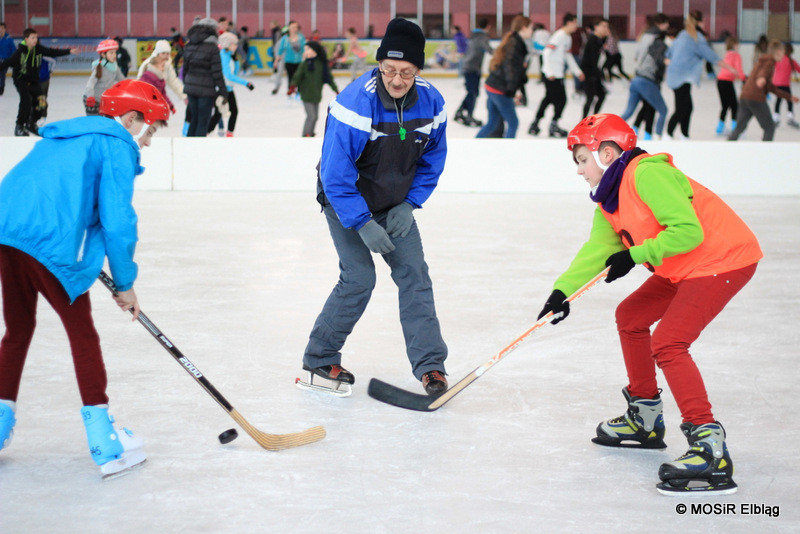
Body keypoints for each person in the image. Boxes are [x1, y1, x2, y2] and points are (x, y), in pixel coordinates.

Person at [539, 113, 762, 495]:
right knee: (631, 315)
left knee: (669, 343)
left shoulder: (646, 174)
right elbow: (597, 251)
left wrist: (636, 253)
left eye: (581, 160)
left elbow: (687, 231)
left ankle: (710, 448)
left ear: (607, 153)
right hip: (684, 265)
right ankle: (644, 417)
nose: (578, 171)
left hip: (721, 259)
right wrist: (563, 292)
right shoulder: (609, 201)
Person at [0, 79, 169, 479]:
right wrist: (125, 283)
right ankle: (106, 444)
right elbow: (118, 220)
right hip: (48, 243)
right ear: (130, 119)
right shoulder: (116, 145)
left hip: (6, 232)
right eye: (150, 130)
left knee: (18, 328)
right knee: (83, 334)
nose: (147, 141)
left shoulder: (69, 133)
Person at [299, 18, 449, 397]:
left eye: (406, 72)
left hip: (395, 203)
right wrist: (362, 221)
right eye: (389, 70)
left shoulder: (432, 102)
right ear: (379, 64)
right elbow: (335, 174)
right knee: (359, 277)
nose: (396, 80)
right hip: (345, 201)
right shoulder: (355, 101)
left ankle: (430, 366)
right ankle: (320, 355)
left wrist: (411, 203)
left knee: (414, 273)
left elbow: (433, 159)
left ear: (418, 70)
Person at [665, 11, 737, 139]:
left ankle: (683, 135)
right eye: (703, 21)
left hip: (676, 76)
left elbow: (669, 54)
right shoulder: (696, 37)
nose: (704, 24)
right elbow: (711, 56)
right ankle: (669, 134)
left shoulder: (682, 34)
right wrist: (730, 67)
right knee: (683, 107)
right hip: (682, 77)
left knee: (685, 107)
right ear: (699, 23)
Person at [0, 28, 78, 136]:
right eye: (32, 38)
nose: (35, 40)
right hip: (21, 81)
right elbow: (6, 63)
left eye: (36, 37)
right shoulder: (19, 52)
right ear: (26, 39)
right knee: (26, 101)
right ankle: (19, 126)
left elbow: (52, 52)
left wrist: (68, 51)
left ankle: (31, 123)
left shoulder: (38, 49)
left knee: (42, 103)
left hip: (33, 81)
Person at [729, 39, 800, 142]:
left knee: (739, 127)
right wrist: (761, 78)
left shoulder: (763, 61)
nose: (784, 54)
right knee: (769, 127)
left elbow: (770, 87)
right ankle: (766, 153)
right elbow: (763, 73)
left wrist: (789, 97)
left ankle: (726, 149)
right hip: (756, 98)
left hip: (745, 97)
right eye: (783, 52)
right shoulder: (770, 62)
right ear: (778, 52)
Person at [475, 15, 532, 139]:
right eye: (530, 28)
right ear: (523, 28)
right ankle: (508, 151)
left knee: (493, 122)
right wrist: (512, 89)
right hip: (499, 88)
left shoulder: (515, 41)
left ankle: (473, 144)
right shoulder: (515, 43)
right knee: (513, 123)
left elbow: (515, 68)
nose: (532, 31)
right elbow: (510, 66)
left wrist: (518, 85)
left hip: (493, 85)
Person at [529, 13, 584, 137]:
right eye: (575, 23)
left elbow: (567, 56)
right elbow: (547, 52)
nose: (576, 26)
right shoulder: (559, 36)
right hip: (552, 75)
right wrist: (549, 72)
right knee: (561, 100)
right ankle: (552, 125)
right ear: (569, 23)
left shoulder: (567, 37)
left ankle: (536, 123)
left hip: (558, 74)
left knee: (548, 98)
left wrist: (577, 72)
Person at [619, 17, 670, 139]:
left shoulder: (646, 41)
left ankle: (610, 129)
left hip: (636, 79)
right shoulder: (660, 45)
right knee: (663, 110)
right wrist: (666, 63)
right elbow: (659, 61)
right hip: (647, 81)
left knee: (629, 111)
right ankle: (659, 135)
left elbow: (638, 56)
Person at [182, 17, 228, 137]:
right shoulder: (212, 48)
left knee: (194, 119)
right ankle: (198, 150)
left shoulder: (190, 44)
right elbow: (217, 72)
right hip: (206, 91)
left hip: (191, 88)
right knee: (203, 121)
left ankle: (188, 147)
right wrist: (224, 92)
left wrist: (187, 85)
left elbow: (185, 69)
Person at [207, 31, 254, 137]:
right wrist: (246, 83)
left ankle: (229, 134)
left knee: (233, 111)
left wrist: (236, 61)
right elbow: (229, 75)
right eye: (234, 44)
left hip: (229, 89)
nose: (236, 46)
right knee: (218, 114)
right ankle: (205, 133)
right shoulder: (223, 56)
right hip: (222, 89)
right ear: (228, 44)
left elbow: (235, 72)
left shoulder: (230, 55)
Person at [288, 40, 338, 137]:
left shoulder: (321, 65)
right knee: (311, 116)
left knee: (315, 117)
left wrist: (336, 90)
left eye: (307, 49)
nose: (305, 52)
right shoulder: (304, 64)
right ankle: (306, 134)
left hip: (316, 94)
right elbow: (297, 77)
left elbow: (329, 79)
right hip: (306, 94)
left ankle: (310, 133)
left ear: (315, 51)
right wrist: (292, 87)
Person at [454, 18, 492, 127]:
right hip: (473, 68)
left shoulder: (473, 36)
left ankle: (461, 112)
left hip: (468, 66)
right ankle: (468, 115)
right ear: (488, 27)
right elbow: (490, 50)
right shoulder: (482, 37)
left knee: (472, 92)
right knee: (473, 92)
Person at [137, 39, 186, 112]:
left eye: (167, 53)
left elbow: (173, 82)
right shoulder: (148, 64)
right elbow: (138, 84)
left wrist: (184, 96)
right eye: (163, 53)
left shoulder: (167, 65)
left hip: (158, 103)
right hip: (145, 102)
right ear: (157, 53)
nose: (166, 56)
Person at [83, 39, 125, 116]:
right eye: (111, 53)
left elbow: (122, 80)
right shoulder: (99, 67)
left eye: (115, 52)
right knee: (94, 122)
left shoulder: (114, 66)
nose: (114, 55)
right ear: (103, 55)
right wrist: (90, 97)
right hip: (92, 99)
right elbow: (90, 83)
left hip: (104, 99)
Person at [580, 18, 611, 117]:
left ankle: (592, 119)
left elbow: (603, 58)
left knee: (601, 96)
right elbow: (592, 60)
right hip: (590, 74)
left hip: (594, 74)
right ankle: (584, 122)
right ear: (596, 27)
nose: (606, 29)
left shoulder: (599, 40)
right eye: (603, 26)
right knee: (590, 98)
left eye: (607, 26)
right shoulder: (593, 40)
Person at [715, 36, 745, 135]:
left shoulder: (727, 54)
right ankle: (735, 128)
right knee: (734, 105)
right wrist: (744, 80)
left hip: (720, 81)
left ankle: (720, 127)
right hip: (727, 82)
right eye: (737, 44)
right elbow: (738, 69)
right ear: (734, 45)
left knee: (725, 105)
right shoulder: (736, 55)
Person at [272, 21, 305, 95]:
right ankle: (289, 90)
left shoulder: (301, 37)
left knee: (299, 76)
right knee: (290, 77)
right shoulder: (284, 39)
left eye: (295, 27)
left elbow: (304, 48)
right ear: (289, 28)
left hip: (298, 61)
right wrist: (276, 61)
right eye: (292, 27)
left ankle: (299, 91)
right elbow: (279, 50)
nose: (294, 29)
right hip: (288, 61)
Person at [772, 42, 800, 127]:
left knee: (778, 100)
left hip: (776, 84)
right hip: (785, 84)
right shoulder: (791, 61)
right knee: (789, 100)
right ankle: (790, 118)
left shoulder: (778, 59)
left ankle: (776, 118)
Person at [0, 22, 15, 96]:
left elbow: (13, 51)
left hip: (6, 60)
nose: (0, 30)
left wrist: (12, 60)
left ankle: (1, 87)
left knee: (2, 74)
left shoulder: (9, 39)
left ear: (5, 29)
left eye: (2, 28)